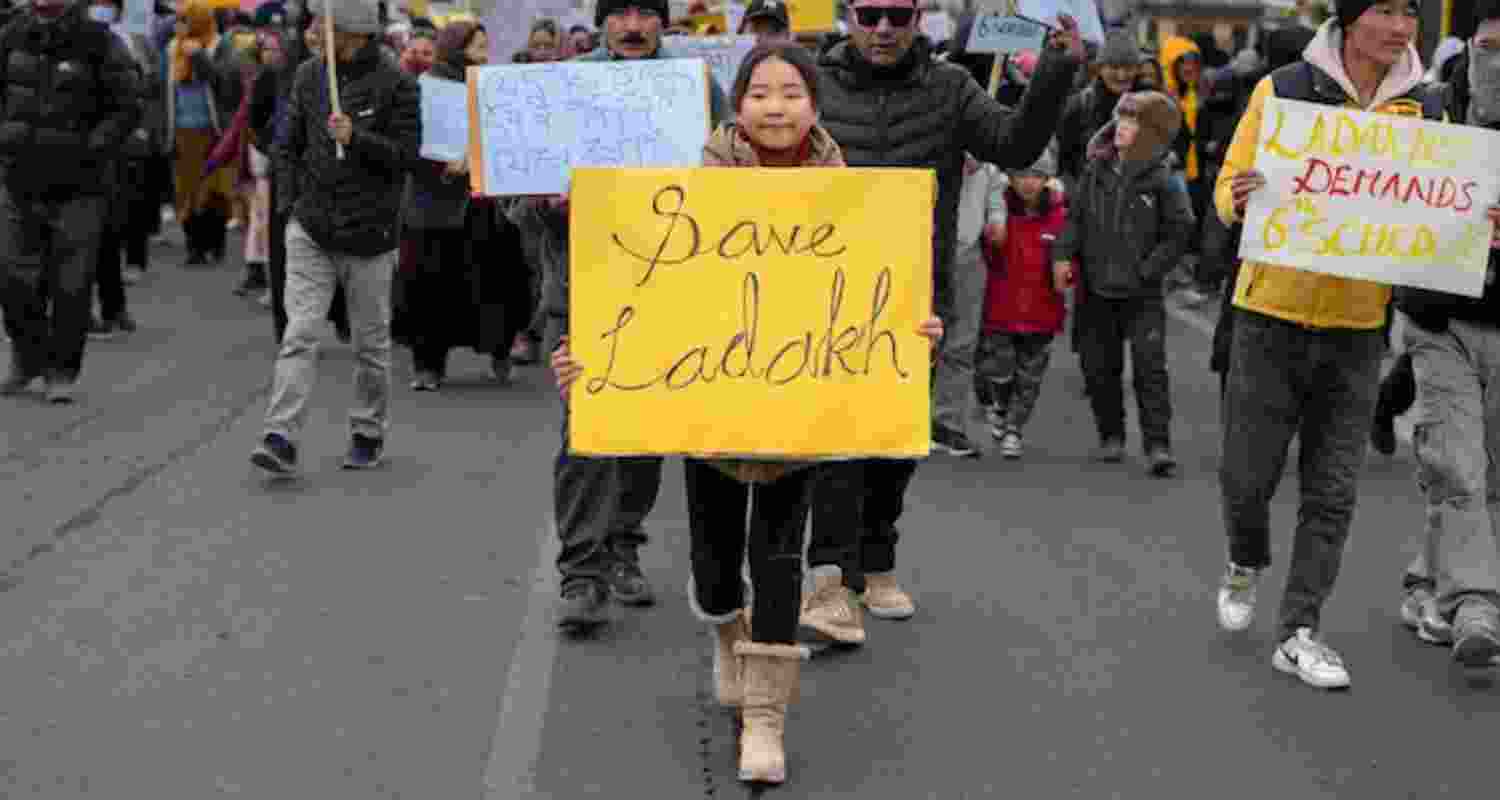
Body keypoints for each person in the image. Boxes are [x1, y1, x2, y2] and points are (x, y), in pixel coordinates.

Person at [554, 42, 940, 785]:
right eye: (760, 92)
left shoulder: (856, 199)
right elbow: (642, 292)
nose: (775, 106)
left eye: (791, 92)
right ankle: (726, 632)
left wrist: (914, 333)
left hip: (801, 425)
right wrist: (591, 362)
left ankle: (766, 717)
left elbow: (878, 300)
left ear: (814, 106)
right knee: (713, 566)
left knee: (779, 558)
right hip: (711, 423)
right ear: (738, 106)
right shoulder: (687, 189)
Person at [797, 0, 1081, 631]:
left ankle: (878, 563)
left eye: (898, 15)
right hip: (824, 291)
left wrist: (1056, 73)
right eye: (870, 14)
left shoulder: (952, 87)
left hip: (914, 293)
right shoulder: (810, 85)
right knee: (836, 438)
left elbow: (1017, 142)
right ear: (849, 16)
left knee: (896, 440)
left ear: (919, 17)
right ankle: (829, 576)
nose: (883, 29)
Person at [1213, 0, 1430, 690]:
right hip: (1268, 316)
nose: (1400, 29)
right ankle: (1245, 557)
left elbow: (1438, 206)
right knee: (1248, 480)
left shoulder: (1428, 111)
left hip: (1359, 330)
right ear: (1351, 18)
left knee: (1332, 490)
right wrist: (1238, 199)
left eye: (1411, 15)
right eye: (1388, 11)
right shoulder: (1283, 89)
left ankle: (1300, 631)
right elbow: (1227, 186)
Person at [524, 0, 730, 633]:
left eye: (646, 13)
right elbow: (520, 204)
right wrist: (548, 203)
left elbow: (735, 181)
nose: (634, 26)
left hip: (668, 287)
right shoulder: (565, 86)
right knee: (586, 432)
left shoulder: (697, 88)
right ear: (603, 21)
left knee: (643, 432)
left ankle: (622, 547)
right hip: (586, 288)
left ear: (662, 22)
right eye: (621, 13)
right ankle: (581, 573)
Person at [249, 0, 420, 476]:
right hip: (312, 227)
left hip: (370, 234)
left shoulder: (397, 84)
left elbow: (406, 156)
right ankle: (280, 434)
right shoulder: (308, 76)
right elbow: (288, 145)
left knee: (371, 345)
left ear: (355, 35)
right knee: (300, 333)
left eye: (328, 32)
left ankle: (368, 429)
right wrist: (288, 205)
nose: (317, 39)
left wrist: (357, 138)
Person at [1389, 0, 1500, 669]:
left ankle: (1428, 580)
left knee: (1485, 470)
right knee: (1460, 463)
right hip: (1442, 320)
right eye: (1492, 43)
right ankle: (1477, 604)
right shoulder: (1427, 112)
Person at [0, 0, 142, 403]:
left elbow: (127, 106)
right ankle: (28, 357)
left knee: (72, 284)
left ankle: (61, 371)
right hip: (17, 178)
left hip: (80, 185)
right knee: (10, 274)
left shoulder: (98, 40)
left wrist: (90, 148)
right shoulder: (10, 35)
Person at [1056, 91, 1192, 475]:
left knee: (1150, 368)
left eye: (1133, 121)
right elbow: (1075, 221)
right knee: (1100, 366)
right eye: (1121, 118)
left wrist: (1150, 269)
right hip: (1096, 286)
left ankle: (1158, 445)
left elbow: (1179, 231)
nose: (1122, 127)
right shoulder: (1095, 169)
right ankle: (1111, 434)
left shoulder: (1165, 178)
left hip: (1142, 290)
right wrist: (1063, 256)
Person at [394, 22, 526, 391]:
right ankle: (428, 364)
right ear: (457, 48)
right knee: (431, 286)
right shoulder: (424, 90)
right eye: (478, 47)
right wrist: (440, 165)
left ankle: (499, 350)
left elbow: (508, 134)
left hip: (481, 202)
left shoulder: (489, 87)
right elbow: (407, 143)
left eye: (486, 47)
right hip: (433, 205)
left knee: (493, 281)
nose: (485, 55)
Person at [977, 151, 1068, 459]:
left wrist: (1068, 273)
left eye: (1036, 176)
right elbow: (985, 258)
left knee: (1030, 377)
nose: (1028, 183)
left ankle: (1014, 429)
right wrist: (990, 239)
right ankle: (999, 406)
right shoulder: (997, 211)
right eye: (1021, 175)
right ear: (1010, 178)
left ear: (1046, 180)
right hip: (1001, 308)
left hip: (1042, 311)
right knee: (999, 370)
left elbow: (1068, 257)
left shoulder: (1058, 215)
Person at [89, 0, 162, 339]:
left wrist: (135, 130)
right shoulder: (71, 39)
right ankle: (86, 310)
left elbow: (142, 93)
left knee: (106, 232)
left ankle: (113, 307)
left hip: (111, 150)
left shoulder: (128, 42)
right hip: (70, 150)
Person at [167, 0, 246, 266]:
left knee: (213, 191)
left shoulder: (221, 47)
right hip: (182, 129)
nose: (180, 25)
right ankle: (194, 247)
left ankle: (215, 243)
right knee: (187, 190)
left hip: (214, 130)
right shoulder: (173, 48)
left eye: (185, 20)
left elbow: (227, 86)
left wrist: (199, 57)